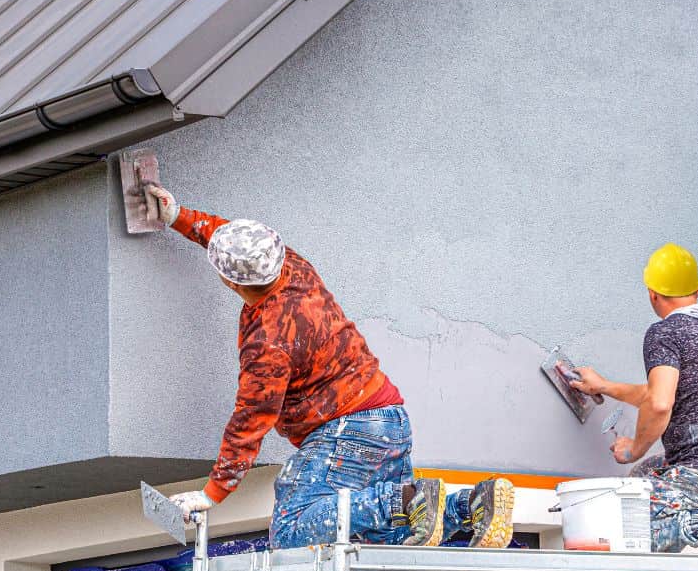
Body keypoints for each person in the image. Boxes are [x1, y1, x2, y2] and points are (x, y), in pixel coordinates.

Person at [140, 185, 514, 550]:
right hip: (389, 419)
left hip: (347, 429)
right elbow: (235, 242)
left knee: (292, 529)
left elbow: (251, 418)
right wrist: (177, 216)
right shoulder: (294, 266)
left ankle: (403, 499)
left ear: (231, 280)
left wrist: (213, 492)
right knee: (392, 537)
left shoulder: (268, 339)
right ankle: (469, 505)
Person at [570, 243, 698, 554]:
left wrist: (634, 448)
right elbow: (660, 394)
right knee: (645, 475)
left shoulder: (665, 332)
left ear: (653, 294)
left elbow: (661, 404)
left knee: (625, 526)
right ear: (697, 290)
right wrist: (604, 387)